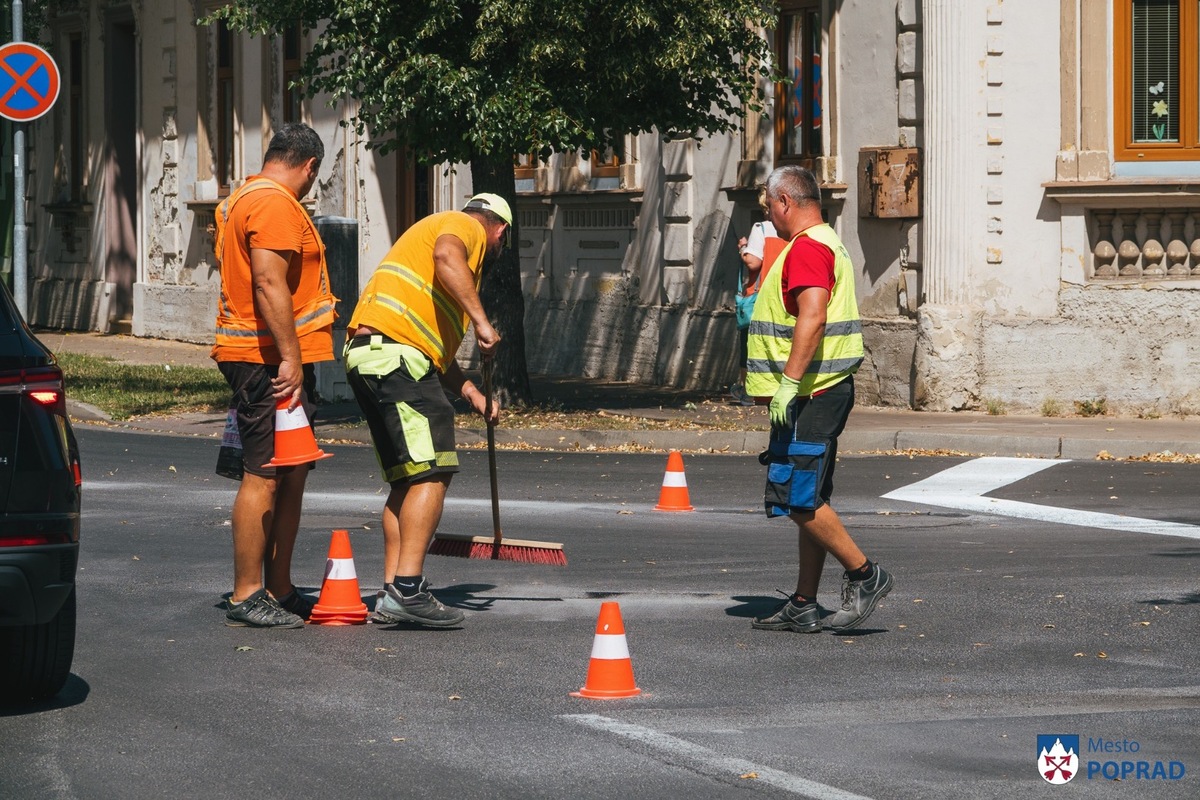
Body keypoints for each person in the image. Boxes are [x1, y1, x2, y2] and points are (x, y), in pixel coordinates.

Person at [344, 193, 508, 628]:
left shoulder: (430, 251)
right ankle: (408, 589)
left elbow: (433, 349)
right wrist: (482, 322)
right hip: (397, 359)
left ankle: (392, 591)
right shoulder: (466, 227)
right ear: (500, 230)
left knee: (406, 479)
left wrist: (471, 392)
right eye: (502, 243)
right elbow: (446, 255)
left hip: (370, 355)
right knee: (432, 472)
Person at [745, 164, 893, 634]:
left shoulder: (807, 248)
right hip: (818, 390)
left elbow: (813, 316)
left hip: (812, 392)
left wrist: (789, 382)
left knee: (796, 496)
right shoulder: (826, 241)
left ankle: (865, 575)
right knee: (810, 498)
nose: (768, 215)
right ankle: (804, 602)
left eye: (769, 206)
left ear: (785, 202)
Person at [211, 122, 337, 628]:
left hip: (267, 356)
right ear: (309, 166)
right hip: (266, 359)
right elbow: (267, 281)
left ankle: (279, 588)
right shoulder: (274, 203)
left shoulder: (245, 197)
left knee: (290, 471)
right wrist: (291, 356)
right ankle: (247, 593)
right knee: (263, 473)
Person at [732, 186, 783, 405]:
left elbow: (753, 262)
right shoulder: (793, 230)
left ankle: (748, 391)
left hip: (760, 296)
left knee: (750, 344)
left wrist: (743, 248)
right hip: (783, 295)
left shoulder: (761, 228)